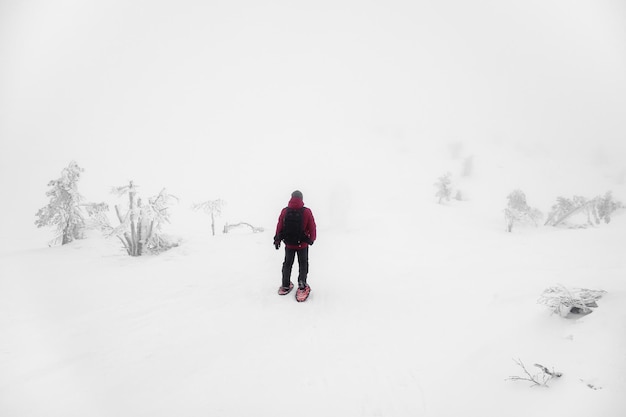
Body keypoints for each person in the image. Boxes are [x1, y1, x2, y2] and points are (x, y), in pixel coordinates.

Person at [274, 190, 316, 295]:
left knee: (287, 264)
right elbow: (312, 227)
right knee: (303, 264)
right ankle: (302, 285)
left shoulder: (285, 211)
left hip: (289, 244)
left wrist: (277, 239)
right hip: (303, 244)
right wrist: (312, 239)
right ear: (301, 198)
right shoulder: (306, 211)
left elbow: (279, 225)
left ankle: (285, 284)